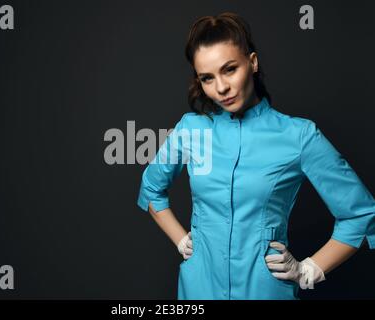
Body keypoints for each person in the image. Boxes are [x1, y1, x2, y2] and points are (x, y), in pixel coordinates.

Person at [136, 12, 375, 300]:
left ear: (252, 62)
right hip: (197, 289)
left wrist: (309, 269)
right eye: (207, 78)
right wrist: (181, 240)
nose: (221, 88)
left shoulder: (298, 135)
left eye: (229, 69)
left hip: (265, 290)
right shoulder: (191, 130)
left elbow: (361, 213)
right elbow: (151, 189)